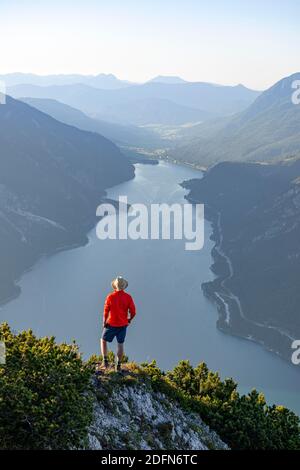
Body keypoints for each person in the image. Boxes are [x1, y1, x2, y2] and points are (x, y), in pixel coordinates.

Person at [101, 276, 136, 371]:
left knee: (103, 340)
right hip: (123, 325)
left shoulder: (110, 296)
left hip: (111, 324)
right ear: (124, 286)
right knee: (120, 344)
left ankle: (105, 361)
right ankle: (118, 366)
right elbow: (133, 311)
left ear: (115, 286)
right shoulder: (128, 297)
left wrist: (104, 322)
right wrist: (129, 319)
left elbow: (106, 311)